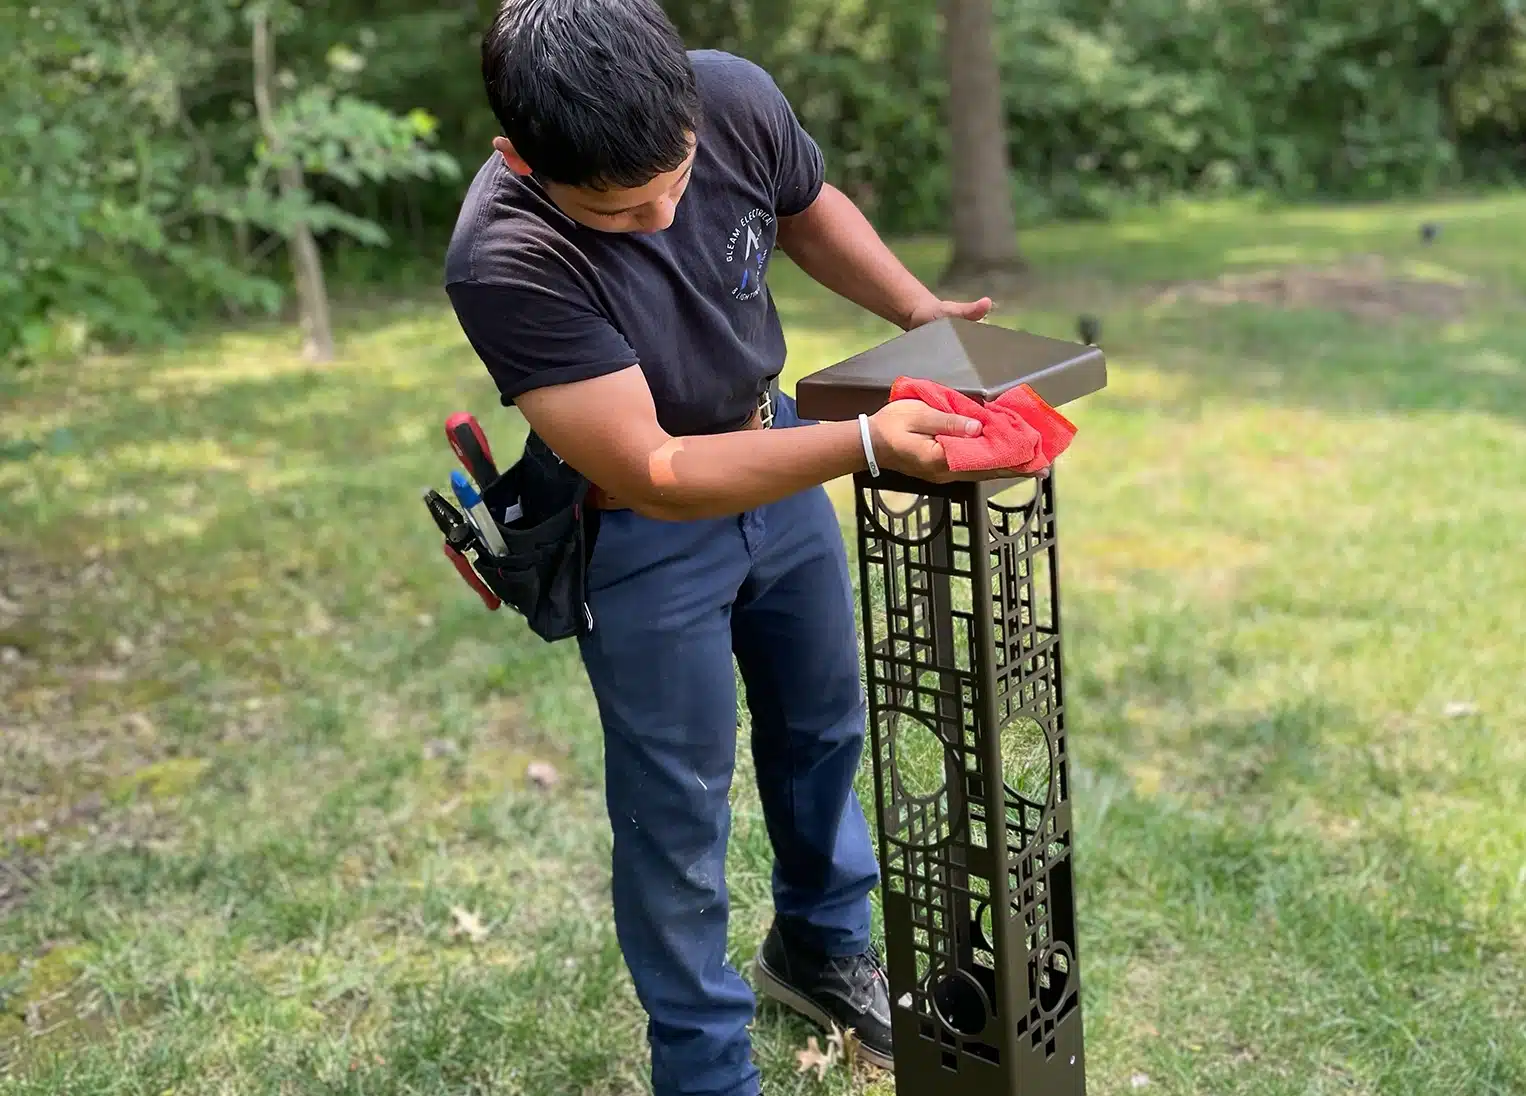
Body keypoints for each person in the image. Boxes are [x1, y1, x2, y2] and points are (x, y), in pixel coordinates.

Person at [444, 2, 1023, 1092]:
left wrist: (916, 314)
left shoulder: (732, 95)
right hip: (640, 532)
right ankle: (704, 1068)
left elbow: (800, 205)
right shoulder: (501, 255)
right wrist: (855, 441)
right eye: (619, 212)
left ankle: (815, 945)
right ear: (520, 158)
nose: (663, 217)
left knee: (820, 725)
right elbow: (653, 471)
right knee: (677, 804)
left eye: (676, 178)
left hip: (775, 465)